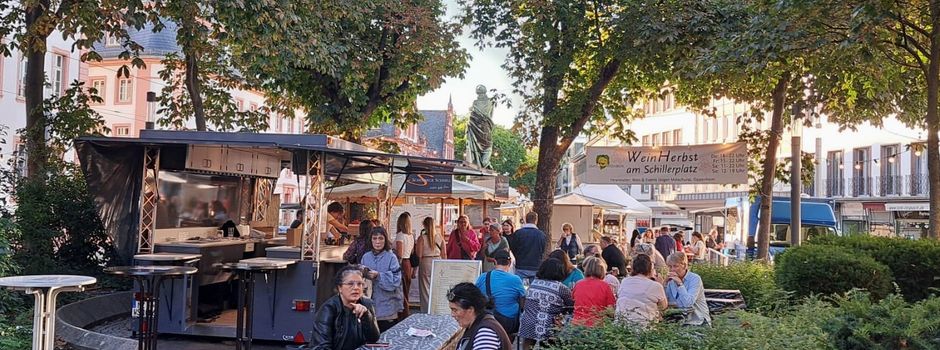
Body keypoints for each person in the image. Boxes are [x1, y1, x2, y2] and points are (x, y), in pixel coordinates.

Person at [311, 265, 380, 350]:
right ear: (340, 288)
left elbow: (373, 339)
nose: (356, 288)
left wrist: (366, 315)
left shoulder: (367, 304)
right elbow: (321, 347)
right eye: (350, 284)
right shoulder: (328, 309)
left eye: (360, 284)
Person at [518, 258, 574, 349]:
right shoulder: (561, 288)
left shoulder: (533, 283)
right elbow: (570, 305)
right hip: (548, 323)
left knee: (528, 343)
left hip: (527, 321)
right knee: (549, 343)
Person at [360, 227, 403, 331]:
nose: (377, 242)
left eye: (380, 238)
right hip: (369, 306)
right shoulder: (366, 257)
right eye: (374, 238)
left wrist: (379, 276)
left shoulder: (391, 257)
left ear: (385, 239)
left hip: (387, 308)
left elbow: (396, 281)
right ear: (370, 240)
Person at [449, 282, 513, 350]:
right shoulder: (476, 325)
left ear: (470, 309)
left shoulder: (486, 333)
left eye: (455, 310)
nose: (452, 314)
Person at [474, 250, 525, 335]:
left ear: (495, 261)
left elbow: (475, 294)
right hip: (508, 322)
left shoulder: (483, 277)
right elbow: (523, 298)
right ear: (509, 262)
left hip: (487, 319)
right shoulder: (516, 279)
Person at [615, 254, 668, 327]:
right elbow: (663, 307)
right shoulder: (656, 286)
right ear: (650, 269)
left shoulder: (624, 282)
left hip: (621, 326)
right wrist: (661, 285)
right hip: (644, 328)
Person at [664, 252, 711, 326]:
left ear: (684, 266)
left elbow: (688, 304)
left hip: (698, 321)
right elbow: (665, 303)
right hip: (679, 321)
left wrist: (680, 284)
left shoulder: (695, 279)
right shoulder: (670, 281)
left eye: (675, 266)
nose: (672, 270)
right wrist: (664, 284)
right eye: (670, 266)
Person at [571, 256, 616, 327]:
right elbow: (610, 311)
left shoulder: (578, 284)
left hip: (577, 323)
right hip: (597, 325)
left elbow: (573, 301)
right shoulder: (605, 286)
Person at [510, 212, 547, 283]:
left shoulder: (518, 233)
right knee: (534, 289)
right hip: (535, 265)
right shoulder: (541, 235)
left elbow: (513, 247)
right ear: (536, 220)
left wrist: (518, 256)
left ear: (526, 219)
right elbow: (542, 249)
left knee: (518, 287)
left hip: (521, 264)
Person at [416, 216, 443, 313]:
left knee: (425, 289)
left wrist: (415, 269)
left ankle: (427, 310)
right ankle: (436, 309)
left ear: (424, 225)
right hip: (438, 262)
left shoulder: (421, 238)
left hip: (426, 262)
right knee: (436, 288)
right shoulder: (440, 237)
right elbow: (444, 254)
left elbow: (419, 254)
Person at [393, 212, 416, 318]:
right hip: (409, 263)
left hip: (402, 263)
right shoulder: (410, 236)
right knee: (406, 290)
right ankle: (405, 313)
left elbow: (399, 254)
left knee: (401, 291)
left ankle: (404, 314)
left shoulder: (400, 235)